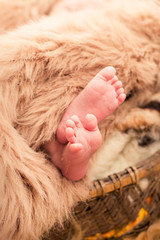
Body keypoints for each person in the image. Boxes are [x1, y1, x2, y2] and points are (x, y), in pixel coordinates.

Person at [44, 66, 126, 181]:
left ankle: (70, 149)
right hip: (60, 156)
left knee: (49, 147)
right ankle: (70, 155)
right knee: (59, 155)